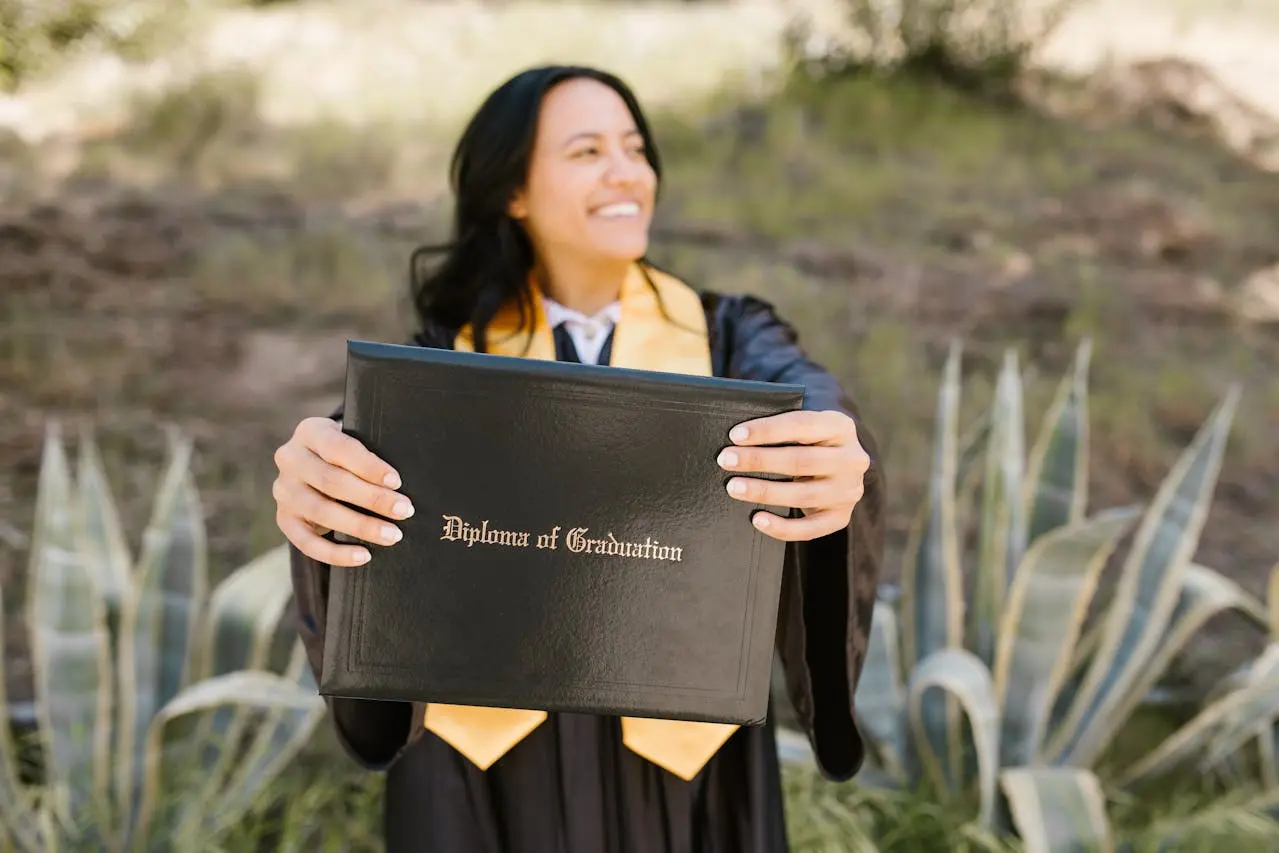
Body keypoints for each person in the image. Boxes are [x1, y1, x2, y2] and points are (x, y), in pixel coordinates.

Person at [273, 64, 886, 853]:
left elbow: (810, 396)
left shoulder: (729, 337)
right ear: (513, 193)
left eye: (635, 147)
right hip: (480, 766)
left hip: (687, 758)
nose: (626, 170)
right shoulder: (445, 360)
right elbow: (362, 453)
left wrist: (832, 448)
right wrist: (323, 477)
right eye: (587, 150)